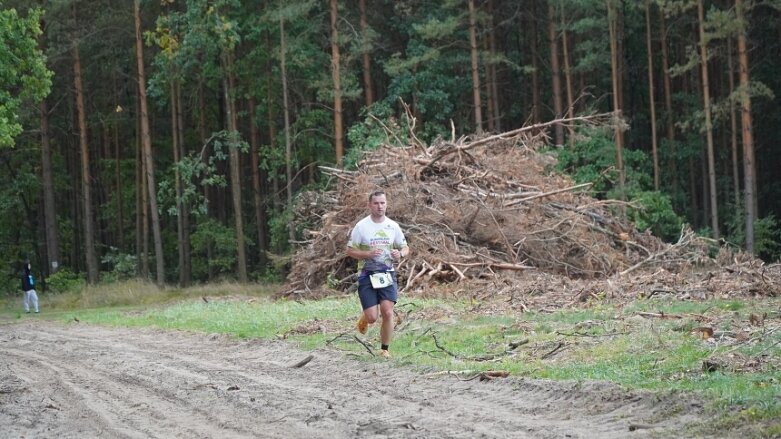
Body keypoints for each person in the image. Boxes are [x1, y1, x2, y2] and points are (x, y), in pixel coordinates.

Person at [346, 190, 409, 359]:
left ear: (386, 204)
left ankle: (384, 349)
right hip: (367, 274)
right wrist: (367, 254)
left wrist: (400, 254)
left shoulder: (392, 226)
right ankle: (366, 317)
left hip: (387, 273)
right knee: (373, 317)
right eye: (376, 203)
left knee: (388, 312)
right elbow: (350, 251)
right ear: (369, 205)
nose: (380, 206)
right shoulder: (361, 227)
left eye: (382, 203)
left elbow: (405, 247)